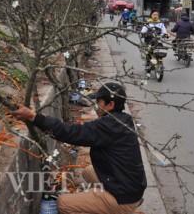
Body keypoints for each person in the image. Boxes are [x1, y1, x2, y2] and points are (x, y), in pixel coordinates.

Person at [9, 83, 146, 214]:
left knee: (63, 203)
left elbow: (72, 133)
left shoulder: (109, 126)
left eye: (99, 103)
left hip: (124, 198)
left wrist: (34, 117)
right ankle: (103, 205)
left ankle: (112, 208)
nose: (96, 107)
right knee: (88, 172)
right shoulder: (122, 121)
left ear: (111, 105)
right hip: (130, 188)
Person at [140, 10, 168, 75]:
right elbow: (143, 30)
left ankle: (158, 62)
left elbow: (164, 31)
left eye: (157, 15)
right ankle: (148, 64)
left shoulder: (161, 23)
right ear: (151, 15)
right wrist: (143, 33)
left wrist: (166, 34)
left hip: (158, 40)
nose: (155, 16)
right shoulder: (147, 23)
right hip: (149, 40)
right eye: (154, 15)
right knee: (149, 53)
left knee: (160, 50)